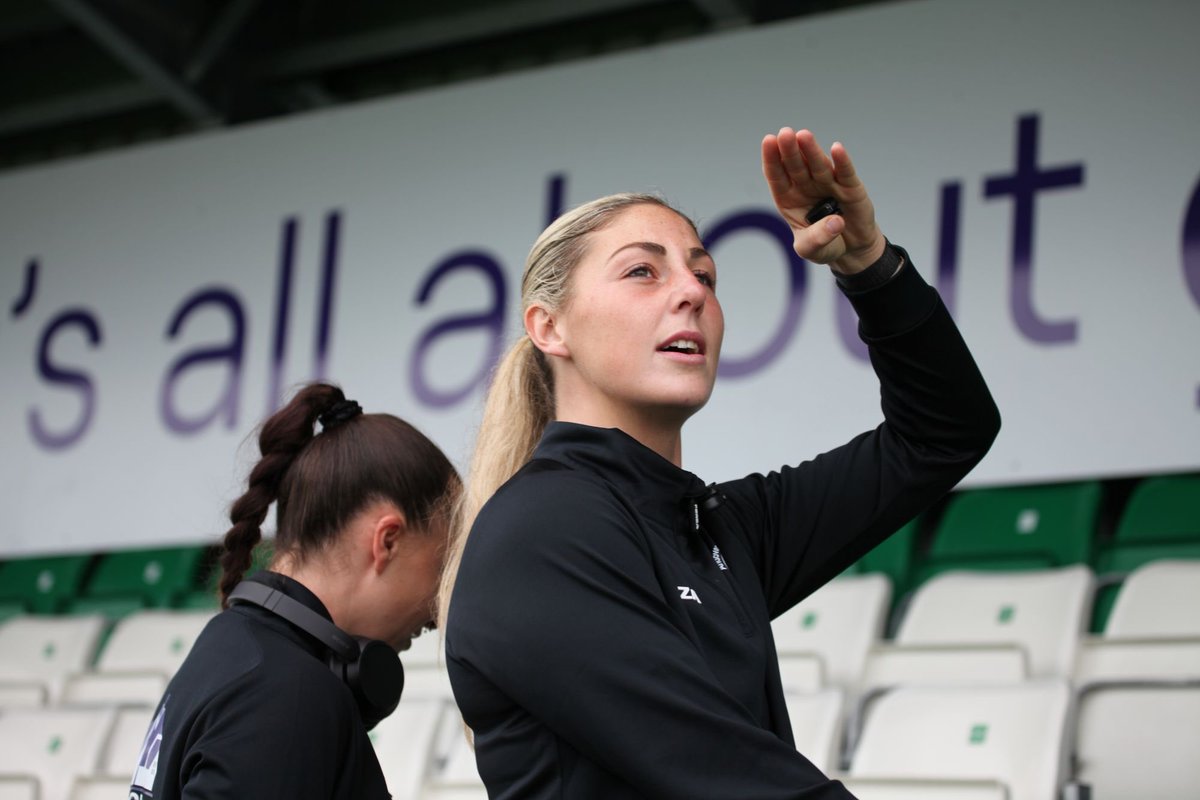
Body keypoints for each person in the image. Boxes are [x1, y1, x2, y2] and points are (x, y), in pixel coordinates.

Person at [439, 128, 1001, 799]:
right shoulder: (539, 532)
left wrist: (868, 264)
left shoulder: (717, 527)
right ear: (549, 327)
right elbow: (724, 775)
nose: (691, 293)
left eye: (703, 274)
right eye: (642, 271)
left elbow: (944, 432)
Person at [130, 382, 460, 800]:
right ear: (387, 541)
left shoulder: (232, 649)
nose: (439, 608)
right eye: (442, 565)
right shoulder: (291, 696)